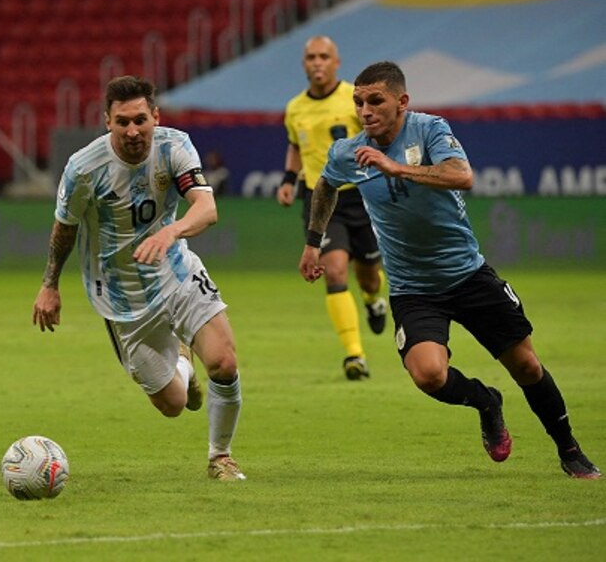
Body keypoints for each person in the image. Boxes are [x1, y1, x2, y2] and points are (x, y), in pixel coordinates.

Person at [298, 61, 600, 478]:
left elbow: (462, 176)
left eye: (375, 101)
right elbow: (326, 185)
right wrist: (313, 243)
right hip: (412, 288)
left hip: (467, 275)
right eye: (358, 102)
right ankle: (486, 401)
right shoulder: (349, 153)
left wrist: (396, 168)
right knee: (428, 375)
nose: (365, 110)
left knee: (527, 366)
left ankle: (569, 450)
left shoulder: (429, 130)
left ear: (402, 101)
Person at [32, 75, 245, 481]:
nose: (133, 131)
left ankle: (221, 458)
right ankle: (182, 362)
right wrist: (49, 284)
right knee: (173, 403)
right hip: (121, 296)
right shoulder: (84, 168)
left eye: (141, 120)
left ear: (155, 116)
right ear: (107, 121)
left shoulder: (174, 146)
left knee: (224, 361)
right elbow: (65, 228)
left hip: (176, 270)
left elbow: (206, 207)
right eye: (123, 121)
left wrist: (171, 232)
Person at [278, 35, 388, 381]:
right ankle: (354, 355)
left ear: (336, 62)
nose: (317, 62)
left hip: (362, 196)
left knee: (369, 275)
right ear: (304, 64)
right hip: (320, 198)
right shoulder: (295, 107)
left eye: (324, 56)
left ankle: (373, 298)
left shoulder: (355, 99)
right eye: (311, 56)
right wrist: (288, 179)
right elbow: (296, 147)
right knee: (336, 271)